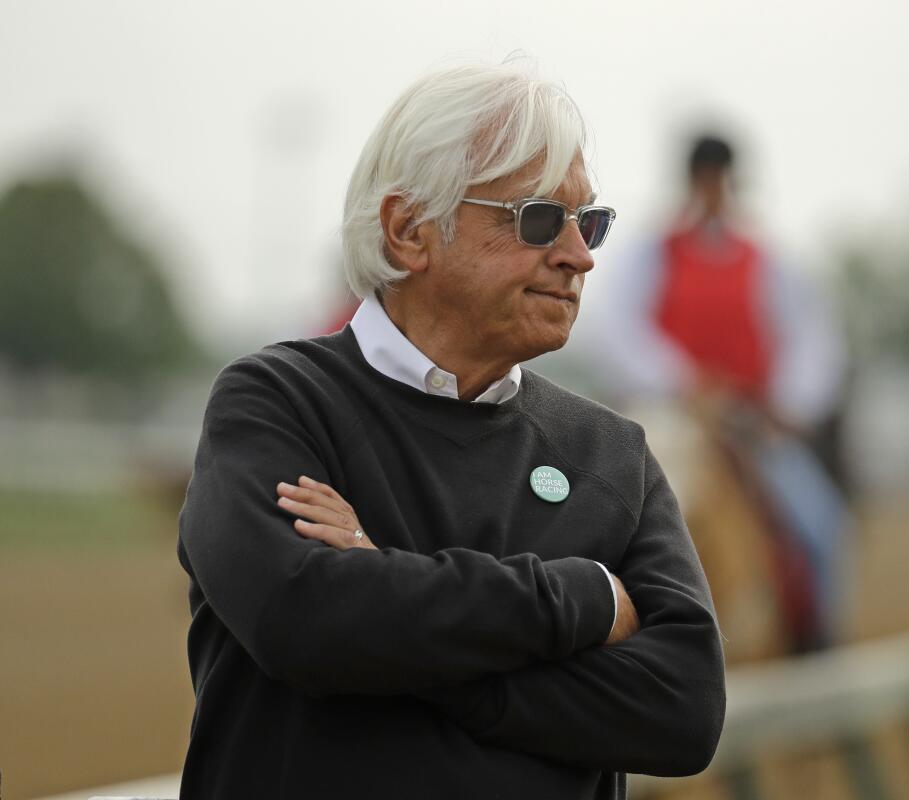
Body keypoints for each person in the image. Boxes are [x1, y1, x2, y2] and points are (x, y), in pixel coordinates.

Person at [176, 63, 726, 799]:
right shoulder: (274, 402)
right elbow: (300, 620)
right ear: (408, 231)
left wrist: (398, 621)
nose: (579, 255)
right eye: (537, 219)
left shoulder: (612, 454)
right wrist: (586, 600)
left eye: (588, 220)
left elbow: (685, 710)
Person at [597, 134, 852, 652]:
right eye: (705, 180)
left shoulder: (770, 262)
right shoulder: (649, 254)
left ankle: (820, 654)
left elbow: (812, 339)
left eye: (720, 181)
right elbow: (615, 329)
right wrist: (683, 383)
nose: (713, 191)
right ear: (692, 182)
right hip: (668, 420)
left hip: (744, 424)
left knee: (823, 527)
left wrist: (789, 403)